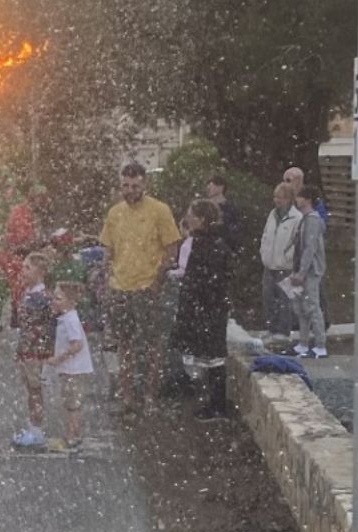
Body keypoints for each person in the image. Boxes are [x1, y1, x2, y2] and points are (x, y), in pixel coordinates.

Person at [98, 162, 184, 413]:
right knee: (123, 344)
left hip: (148, 287)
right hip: (120, 287)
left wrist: (158, 280)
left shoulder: (160, 210)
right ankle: (126, 398)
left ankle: (149, 397)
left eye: (135, 185)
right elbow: (108, 247)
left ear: (144, 184)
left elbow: (171, 248)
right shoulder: (115, 213)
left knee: (152, 345)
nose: (130, 190)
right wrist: (107, 274)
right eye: (125, 185)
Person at [174, 200, 233, 418]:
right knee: (209, 356)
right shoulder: (208, 242)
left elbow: (209, 280)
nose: (187, 218)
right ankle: (213, 403)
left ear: (201, 219)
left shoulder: (209, 244)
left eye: (191, 214)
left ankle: (217, 405)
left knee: (213, 358)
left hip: (208, 309)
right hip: (206, 308)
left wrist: (199, 304)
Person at [43, 281, 95, 451]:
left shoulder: (70, 319)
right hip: (71, 369)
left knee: (72, 403)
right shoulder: (66, 317)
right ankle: (73, 433)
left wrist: (59, 358)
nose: (54, 302)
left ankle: (72, 435)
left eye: (58, 299)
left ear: (71, 301)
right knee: (70, 401)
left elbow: (77, 344)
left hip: (74, 369)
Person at [11, 252, 55, 449]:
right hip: (28, 349)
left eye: (28, 268)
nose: (24, 271)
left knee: (35, 391)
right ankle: (33, 427)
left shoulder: (41, 297)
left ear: (40, 272)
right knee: (31, 390)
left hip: (35, 352)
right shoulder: (30, 293)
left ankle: (37, 431)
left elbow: (45, 326)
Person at [0, 183, 49, 326]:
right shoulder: (22, 214)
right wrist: (39, 245)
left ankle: (11, 317)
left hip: (13, 255)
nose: (43, 203)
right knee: (19, 286)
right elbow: (22, 240)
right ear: (34, 198)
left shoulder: (25, 212)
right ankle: (17, 317)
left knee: (9, 288)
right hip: (13, 256)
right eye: (41, 199)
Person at [287, 185, 329, 358]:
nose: (297, 200)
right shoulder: (304, 219)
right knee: (301, 307)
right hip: (300, 269)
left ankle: (320, 344)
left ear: (307, 199)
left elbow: (310, 248)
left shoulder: (312, 220)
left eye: (299, 197)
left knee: (312, 306)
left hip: (310, 271)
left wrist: (302, 271)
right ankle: (303, 342)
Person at [258, 183, 303, 343]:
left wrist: (286, 258)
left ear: (289, 199)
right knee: (268, 298)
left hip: (285, 267)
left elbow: (297, 243)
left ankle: (283, 331)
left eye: (281, 197)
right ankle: (271, 328)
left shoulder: (297, 218)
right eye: (275, 196)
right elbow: (265, 235)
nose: (277, 200)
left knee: (284, 300)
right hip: (269, 264)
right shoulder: (272, 214)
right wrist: (263, 252)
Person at [204, 175, 241, 248]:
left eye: (211, 185)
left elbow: (235, 231)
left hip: (223, 250)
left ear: (221, 187)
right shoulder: (203, 207)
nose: (208, 187)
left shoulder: (231, 208)